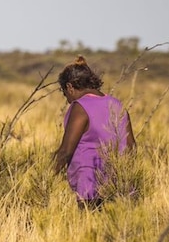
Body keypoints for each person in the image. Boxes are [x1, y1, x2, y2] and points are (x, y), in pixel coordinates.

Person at [53, 55, 135, 207]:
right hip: (119, 185)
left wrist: (46, 178)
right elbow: (131, 147)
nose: (68, 100)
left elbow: (66, 151)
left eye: (65, 94)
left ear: (70, 87)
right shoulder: (117, 105)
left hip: (89, 186)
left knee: (88, 228)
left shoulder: (80, 107)